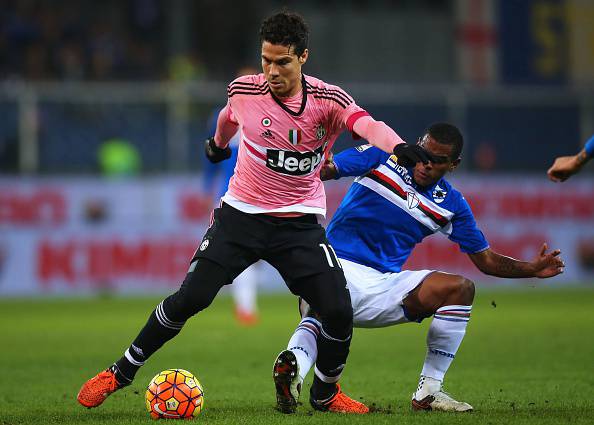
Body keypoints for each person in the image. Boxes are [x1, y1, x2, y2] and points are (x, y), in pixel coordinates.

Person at [77, 11, 431, 414]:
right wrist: (216, 144)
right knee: (190, 298)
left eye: (282, 61)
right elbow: (228, 118)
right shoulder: (245, 90)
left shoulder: (328, 101)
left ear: (303, 57)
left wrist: (398, 146)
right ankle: (119, 373)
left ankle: (325, 395)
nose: (272, 70)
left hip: (298, 225)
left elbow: (367, 125)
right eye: (266, 60)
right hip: (240, 218)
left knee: (336, 308)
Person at [273, 123, 565, 413]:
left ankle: (428, 392)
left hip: (383, 284)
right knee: (320, 311)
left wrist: (531, 268)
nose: (425, 164)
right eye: (423, 154)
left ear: (453, 164)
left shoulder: (451, 203)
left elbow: (486, 261)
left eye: (437, 161)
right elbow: (326, 170)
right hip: (332, 266)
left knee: (460, 289)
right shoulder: (382, 156)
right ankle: (293, 374)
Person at [203, 65, 261, 326]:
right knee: (240, 252)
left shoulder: (267, 116)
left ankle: (241, 301)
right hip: (232, 195)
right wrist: (207, 187)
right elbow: (212, 154)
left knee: (246, 254)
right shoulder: (225, 116)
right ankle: (245, 307)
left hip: (264, 195)